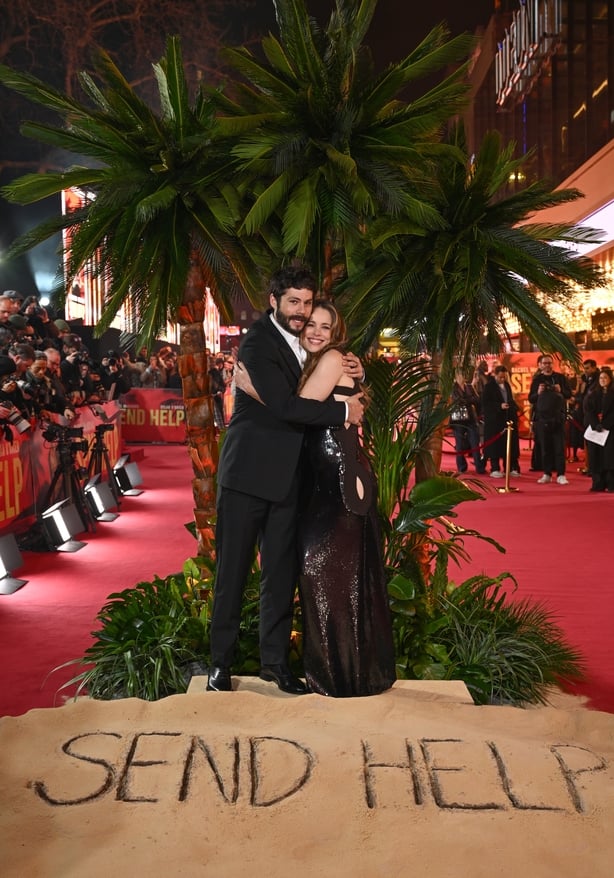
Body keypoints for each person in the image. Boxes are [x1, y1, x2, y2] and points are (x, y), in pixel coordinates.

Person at [208, 265, 364, 695]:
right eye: (293, 302)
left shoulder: (310, 346)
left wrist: (357, 373)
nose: (301, 311)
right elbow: (285, 407)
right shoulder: (258, 342)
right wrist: (343, 411)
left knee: (280, 576)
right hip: (246, 476)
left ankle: (274, 665)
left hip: (289, 481)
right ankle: (219, 665)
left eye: (307, 303)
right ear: (274, 301)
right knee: (232, 574)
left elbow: (329, 378)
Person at [237, 300, 396, 696]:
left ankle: (340, 680)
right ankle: (346, 676)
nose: (317, 332)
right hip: (324, 483)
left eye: (326, 326)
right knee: (330, 578)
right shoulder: (318, 363)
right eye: (311, 324)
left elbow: (295, 410)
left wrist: (252, 388)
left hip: (339, 484)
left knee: (325, 576)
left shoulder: (331, 359)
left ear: (335, 333)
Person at [528, 354, 572, 484]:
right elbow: (531, 399)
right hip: (542, 419)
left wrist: (560, 390)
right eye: (545, 363)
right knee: (545, 448)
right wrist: (538, 393)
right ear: (540, 365)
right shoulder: (537, 380)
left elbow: (569, 394)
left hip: (558, 418)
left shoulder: (560, 378)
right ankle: (546, 473)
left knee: (559, 448)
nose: (547, 365)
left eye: (549, 363)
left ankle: (561, 474)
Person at [481, 365, 520, 478]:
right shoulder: (489, 387)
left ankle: (509, 468)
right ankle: (495, 468)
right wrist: (499, 406)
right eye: (500, 377)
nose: (502, 379)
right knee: (495, 446)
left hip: (507, 420)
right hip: (494, 422)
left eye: (504, 377)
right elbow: (485, 403)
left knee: (509, 445)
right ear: (495, 375)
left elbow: (510, 399)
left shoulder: (507, 385)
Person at [450, 369, 485, 475]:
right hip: (458, 420)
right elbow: (457, 401)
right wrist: (470, 400)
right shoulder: (453, 388)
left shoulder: (469, 387)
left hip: (471, 419)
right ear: (456, 377)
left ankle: (479, 467)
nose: (463, 377)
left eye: (464, 375)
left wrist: (467, 400)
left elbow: (477, 399)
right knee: (459, 444)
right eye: (461, 375)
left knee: (475, 443)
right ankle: (462, 467)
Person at [584, 366, 614, 492]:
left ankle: (611, 483)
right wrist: (595, 424)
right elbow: (588, 411)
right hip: (596, 431)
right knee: (595, 457)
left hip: (610, 430)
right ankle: (598, 483)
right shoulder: (593, 394)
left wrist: (606, 424)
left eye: (605, 378)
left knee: (609, 458)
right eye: (601, 378)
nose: (602, 380)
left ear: (610, 379)